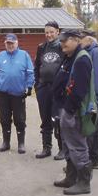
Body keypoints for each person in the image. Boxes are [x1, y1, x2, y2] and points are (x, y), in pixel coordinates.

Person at [52, 29, 94, 195]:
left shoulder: (82, 59)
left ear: (76, 40)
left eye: (65, 40)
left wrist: (69, 111)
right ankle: (71, 177)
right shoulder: (69, 57)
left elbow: (79, 90)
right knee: (69, 145)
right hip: (64, 108)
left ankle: (84, 183)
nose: (62, 43)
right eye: (61, 41)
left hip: (73, 111)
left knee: (77, 145)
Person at [0, 33, 34, 154]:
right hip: (2, 94)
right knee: (4, 119)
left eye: (12, 43)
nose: (10, 45)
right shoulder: (0, 55)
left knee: (19, 119)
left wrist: (29, 86)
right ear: (5, 44)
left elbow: (30, 72)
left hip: (18, 93)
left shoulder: (24, 55)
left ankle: (21, 143)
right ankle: (6, 142)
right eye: (8, 43)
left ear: (17, 43)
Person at [34, 21, 65, 159]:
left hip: (58, 90)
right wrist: (37, 85)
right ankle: (46, 148)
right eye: (46, 32)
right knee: (45, 118)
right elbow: (36, 67)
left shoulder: (62, 47)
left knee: (57, 119)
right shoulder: (41, 47)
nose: (49, 35)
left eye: (51, 32)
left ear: (57, 31)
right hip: (43, 88)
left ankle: (62, 149)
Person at [80, 29, 98, 169]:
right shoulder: (88, 52)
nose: (80, 40)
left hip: (96, 99)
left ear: (90, 40)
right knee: (94, 127)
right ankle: (94, 159)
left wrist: (95, 99)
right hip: (93, 98)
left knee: (90, 128)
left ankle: (92, 159)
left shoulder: (96, 53)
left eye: (82, 38)